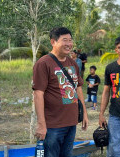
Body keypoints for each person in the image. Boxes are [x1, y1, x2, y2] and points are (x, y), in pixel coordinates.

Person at [32, 27, 88, 157]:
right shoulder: (43, 63)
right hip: (53, 125)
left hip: (71, 122)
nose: (69, 44)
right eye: (64, 40)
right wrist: (41, 125)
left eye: (70, 40)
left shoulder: (72, 63)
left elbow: (78, 87)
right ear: (53, 42)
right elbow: (38, 94)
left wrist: (84, 112)